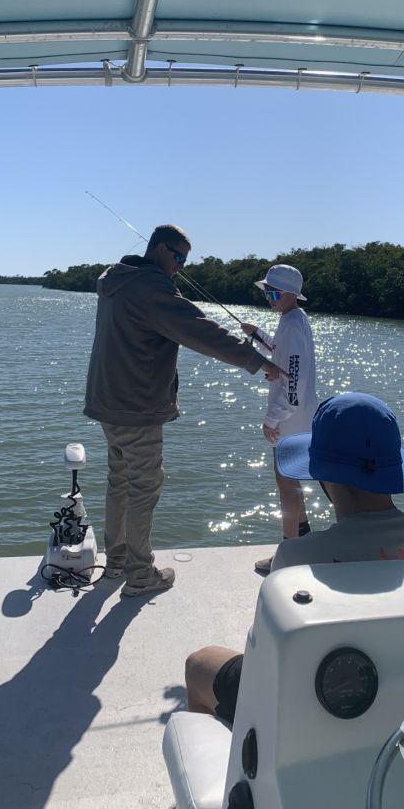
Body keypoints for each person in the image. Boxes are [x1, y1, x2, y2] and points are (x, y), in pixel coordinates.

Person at [185, 392, 404, 724]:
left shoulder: (298, 557)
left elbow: (267, 654)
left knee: (199, 663)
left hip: (315, 702)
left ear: (323, 476)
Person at [84, 223, 284, 598]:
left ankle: (116, 560)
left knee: (119, 480)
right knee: (145, 485)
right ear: (159, 249)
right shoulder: (152, 289)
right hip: (136, 406)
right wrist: (257, 362)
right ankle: (140, 574)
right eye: (177, 257)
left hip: (106, 402)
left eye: (184, 260)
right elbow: (200, 330)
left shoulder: (114, 281)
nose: (180, 266)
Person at [240, 264, 318, 575]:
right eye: (266, 292)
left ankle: (287, 555)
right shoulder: (293, 320)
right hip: (297, 420)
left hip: (290, 422)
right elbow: (282, 352)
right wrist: (257, 334)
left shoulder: (293, 324)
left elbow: (294, 382)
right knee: (291, 483)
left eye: (273, 293)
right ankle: (304, 539)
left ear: (290, 295)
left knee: (286, 485)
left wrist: (272, 419)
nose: (269, 298)